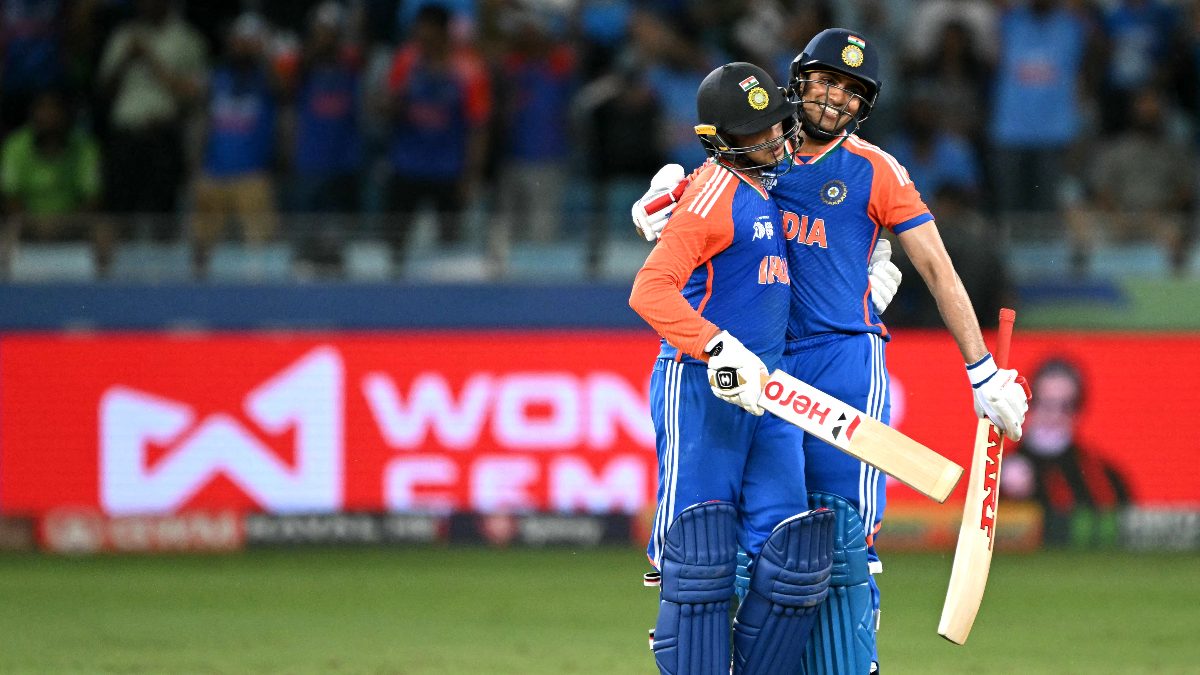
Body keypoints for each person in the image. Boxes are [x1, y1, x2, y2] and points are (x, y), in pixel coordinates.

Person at [633, 28, 1031, 674]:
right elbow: (687, 205)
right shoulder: (760, 148)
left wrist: (983, 372)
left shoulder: (876, 169)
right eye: (824, 80)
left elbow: (937, 267)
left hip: (844, 361)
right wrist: (659, 199)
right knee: (741, 549)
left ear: (864, 105)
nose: (834, 98)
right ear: (799, 79)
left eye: (852, 91)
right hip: (764, 365)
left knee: (840, 539)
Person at [629, 61, 834, 675]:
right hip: (701, 386)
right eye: (754, 133)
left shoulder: (763, 184)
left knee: (789, 558)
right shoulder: (714, 193)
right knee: (699, 559)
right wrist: (717, 347)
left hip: (769, 395)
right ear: (719, 140)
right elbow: (650, 290)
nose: (772, 139)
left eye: (775, 124)